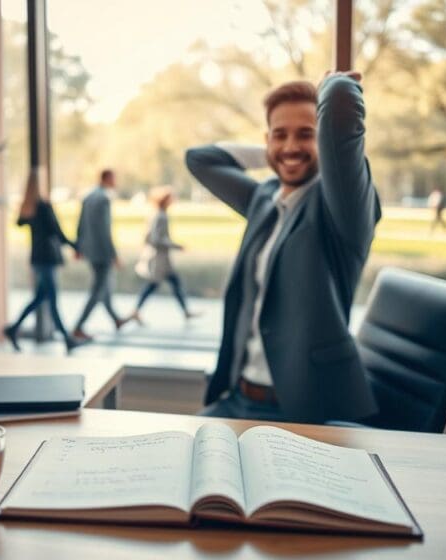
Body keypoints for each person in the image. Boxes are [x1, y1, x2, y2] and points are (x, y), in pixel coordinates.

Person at [185, 71, 381, 424]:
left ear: (323, 140)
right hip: (237, 399)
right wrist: (276, 153)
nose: (291, 145)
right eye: (280, 134)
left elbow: (340, 102)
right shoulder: (264, 198)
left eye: (306, 134)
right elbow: (199, 159)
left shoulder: (341, 210)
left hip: (305, 411)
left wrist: (332, 85)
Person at [3, 169, 82, 353]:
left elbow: (20, 223)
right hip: (47, 259)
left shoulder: (28, 208)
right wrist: (75, 246)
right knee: (52, 300)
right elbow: (57, 232)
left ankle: (13, 329)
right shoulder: (44, 207)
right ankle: (67, 339)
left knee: (40, 298)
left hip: (37, 259)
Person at [71, 169, 128, 341]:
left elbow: (80, 223)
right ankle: (78, 327)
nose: (116, 182)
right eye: (114, 178)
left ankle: (116, 319)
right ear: (107, 178)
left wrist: (78, 247)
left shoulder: (88, 197)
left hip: (90, 250)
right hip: (102, 252)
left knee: (104, 287)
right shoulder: (103, 199)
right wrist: (113, 254)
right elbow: (105, 230)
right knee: (98, 290)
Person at [129, 186, 196, 323]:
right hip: (159, 259)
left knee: (173, 283)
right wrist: (175, 246)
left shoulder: (157, 214)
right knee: (154, 285)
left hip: (162, 259)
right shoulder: (161, 216)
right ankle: (136, 311)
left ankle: (185, 311)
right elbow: (156, 238)